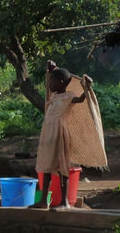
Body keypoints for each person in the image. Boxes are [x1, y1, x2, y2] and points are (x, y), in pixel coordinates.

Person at [30, 60, 93, 210]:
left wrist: (87, 87)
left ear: (60, 82)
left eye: (52, 82)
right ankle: (44, 200)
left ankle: (64, 202)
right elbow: (49, 87)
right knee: (45, 166)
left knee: (61, 166)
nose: (49, 84)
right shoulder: (54, 95)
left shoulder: (68, 96)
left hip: (59, 133)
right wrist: (51, 69)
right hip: (48, 134)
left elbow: (81, 99)